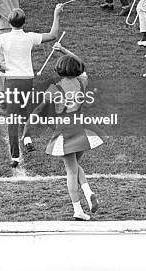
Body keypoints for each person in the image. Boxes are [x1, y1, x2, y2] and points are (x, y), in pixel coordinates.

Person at [22, 44, 103, 220]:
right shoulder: (82, 81)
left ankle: (78, 210)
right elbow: (81, 63)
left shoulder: (54, 89)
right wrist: (64, 50)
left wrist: (26, 133)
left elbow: (37, 112)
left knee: (71, 172)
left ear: (59, 70)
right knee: (75, 166)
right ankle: (88, 192)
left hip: (65, 132)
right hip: (81, 127)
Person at [0, 4, 64, 169]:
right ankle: (28, 138)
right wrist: (56, 14)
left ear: (9, 22)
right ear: (24, 22)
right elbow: (53, 35)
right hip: (27, 81)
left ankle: (15, 157)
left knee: (12, 119)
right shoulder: (29, 37)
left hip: (12, 81)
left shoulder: (3, 38)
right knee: (27, 111)